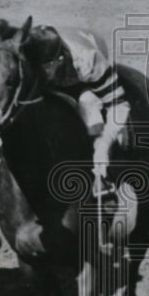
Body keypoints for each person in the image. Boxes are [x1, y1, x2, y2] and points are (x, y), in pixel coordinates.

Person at [25, 24, 131, 199]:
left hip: (82, 82)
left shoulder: (87, 59)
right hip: (49, 84)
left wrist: (104, 144)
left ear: (60, 59)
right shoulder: (25, 57)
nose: (46, 72)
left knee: (88, 102)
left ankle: (101, 175)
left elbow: (118, 105)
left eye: (48, 67)